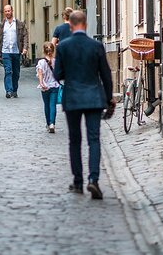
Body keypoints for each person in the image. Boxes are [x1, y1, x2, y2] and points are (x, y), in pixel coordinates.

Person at [53, 10, 115, 199]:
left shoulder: (63, 47)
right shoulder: (96, 46)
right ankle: (93, 180)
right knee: (94, 139)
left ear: (70, 26)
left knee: (75, 140)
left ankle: (78, 182)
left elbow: (57, 75)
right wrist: (109, 97)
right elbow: (106, 75)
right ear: (85, 25)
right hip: (94, 98)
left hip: (72, 97)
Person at [0, 4, 29, 98]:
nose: (7, 13)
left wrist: (25, 48)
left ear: (12, 11)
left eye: (8, 11)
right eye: (5, 11)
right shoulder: (1, 25)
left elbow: (25, 36)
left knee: (16, 72)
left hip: (16, 51)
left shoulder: (19, 23)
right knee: (8, 71)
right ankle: (8, 91)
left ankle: (15, 90)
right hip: (5, 51)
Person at [37, 42, 60, 133]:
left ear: (44, 50)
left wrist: (41, 83)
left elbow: (40, 73)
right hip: (54, 85)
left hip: (45, 86)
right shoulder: (56, 61)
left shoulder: (41, 62)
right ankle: (52, 124)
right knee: (52, 105)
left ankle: (48, 123)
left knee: (46, 105)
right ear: (53, 50)